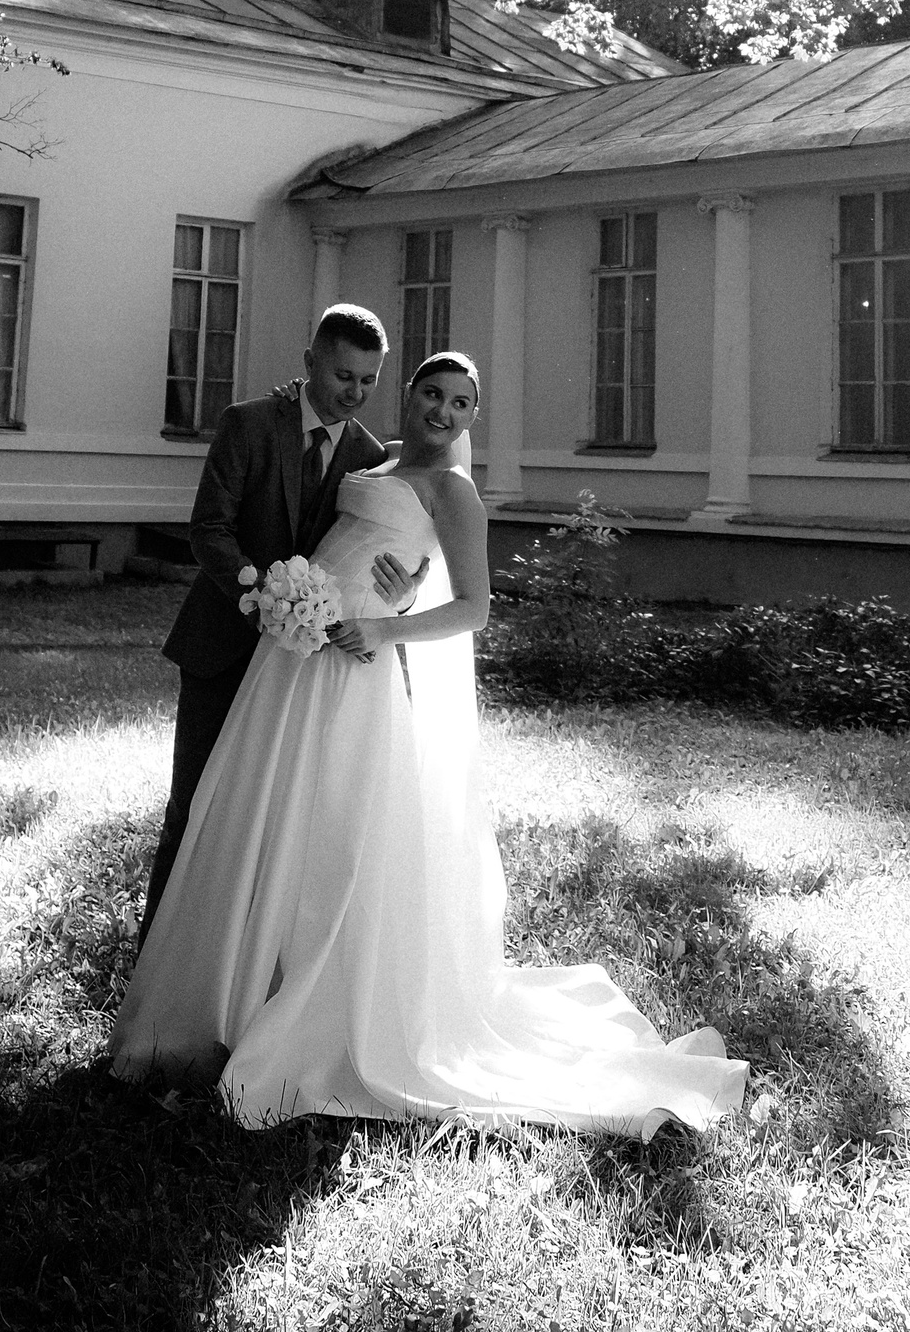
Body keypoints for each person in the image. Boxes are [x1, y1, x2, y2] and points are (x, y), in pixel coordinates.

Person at [109, 351, 747, 1137]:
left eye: (462, 403)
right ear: (407, 394)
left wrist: (387, 623)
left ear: (473, 417)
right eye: (433, 394)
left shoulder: (455, 491)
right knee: (272, 819)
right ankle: (243, 991)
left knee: (335, 834)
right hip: (292, 659)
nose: (444, 412)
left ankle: (312, 1001)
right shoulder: (372, 456)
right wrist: (346, 592)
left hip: (355, 666)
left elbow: (474, 607)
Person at [138, 305, 421, 942]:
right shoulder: (248, 423)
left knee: (269, 819)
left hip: (299, 673)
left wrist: (401, 598)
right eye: (343, 376)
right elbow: (208, 529)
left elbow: (372, 557)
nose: (355, 393)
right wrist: (262, 593)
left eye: (369, 380)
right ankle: (156, 954)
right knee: (194, 802)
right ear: (310, 362)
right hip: (221, 647)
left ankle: (238, 956)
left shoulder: (370, 457)